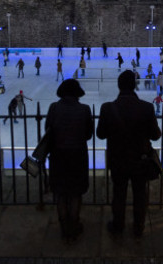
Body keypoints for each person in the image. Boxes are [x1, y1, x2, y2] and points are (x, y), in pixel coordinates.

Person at [96, 70, 161, 237]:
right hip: (140, 160)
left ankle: (118, 225)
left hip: (117, 160)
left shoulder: (107, 108)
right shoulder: (146, 108)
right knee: (140, 194)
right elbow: (156, 135)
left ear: (118, 86)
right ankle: (138, 227)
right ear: (135, 85)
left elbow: (100, 134)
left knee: (119, 193)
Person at [45, 79, 93, 243]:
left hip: (58, 156)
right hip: (77, 156)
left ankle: (64, 227)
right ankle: (74, 225)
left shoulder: (53, 108)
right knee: (75, 193)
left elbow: (48, 130)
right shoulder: (85, 110)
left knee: (60, 192)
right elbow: (88, 134)